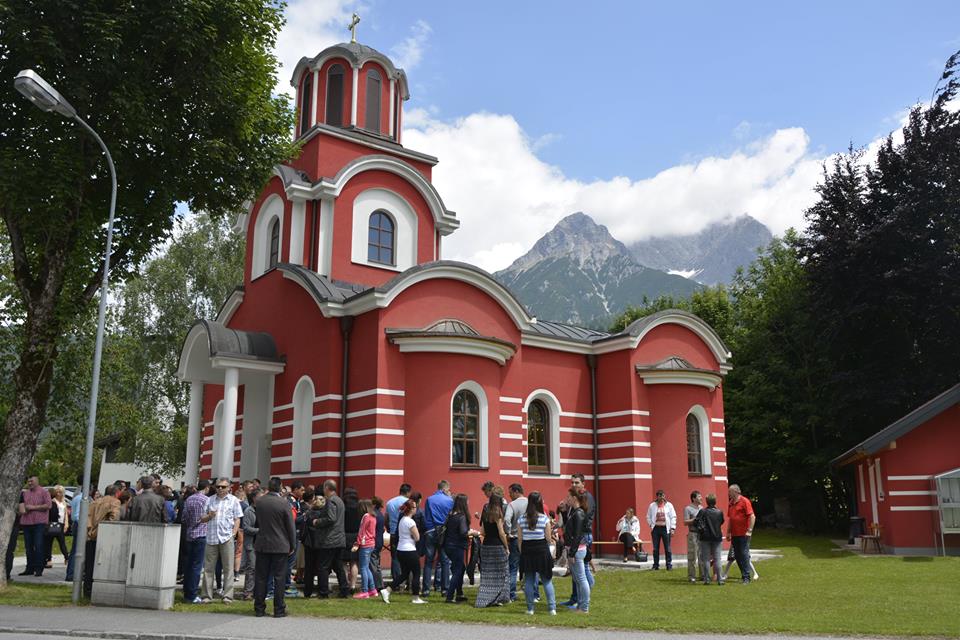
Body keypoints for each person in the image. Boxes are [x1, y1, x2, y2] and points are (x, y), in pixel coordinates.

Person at [253, 477, 297, 618]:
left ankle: (259, 608)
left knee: (261, 578)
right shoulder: (284, 503)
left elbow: (258, 522)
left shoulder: (259, 502)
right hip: (280, 544)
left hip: (263, 543)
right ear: (279, 487)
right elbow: (290, 526)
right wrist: (292, 544)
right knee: (279, 578)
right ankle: (279, 609)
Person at [200, 478, 244, 603]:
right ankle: (207, 596)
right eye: (218, 486)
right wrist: (209, 516)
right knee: (208, 568)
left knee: (228, 568)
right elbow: (202, 518)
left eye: (223, 487)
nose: (220, 489)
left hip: (226, 537)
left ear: (229, 487)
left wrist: (233, 533)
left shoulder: (234, 500)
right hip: (211, 537)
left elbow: (237, 519)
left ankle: (227, 596)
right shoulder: (210, 500)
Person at [379, 499, 425, 604]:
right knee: (416, 573)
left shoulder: (402, 520)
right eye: (415, 507)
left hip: (401, 550)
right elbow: (417, 537)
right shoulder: (411, 521)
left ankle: (387, 590)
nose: (416, 509)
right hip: (410, 550)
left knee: (404, 574)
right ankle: (415, 597)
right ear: (411, 509)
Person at [309, 479, 350, 598]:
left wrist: (317, 521)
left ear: (327, 488)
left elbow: (331, 518)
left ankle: (323, 592)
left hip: (330, 539)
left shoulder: (331, 501)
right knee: (338, 566)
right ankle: (344, 590)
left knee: (323, 566)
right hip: (339, 539)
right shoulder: (339, 500)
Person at [518, 491, 556, 616]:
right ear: (540, 502)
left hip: (527, 550)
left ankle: (530, 609)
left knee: (528, 580)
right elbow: (549, 539)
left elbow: (520, 539)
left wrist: (521, 551)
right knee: (547, 580)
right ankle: (552, 609)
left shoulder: (522, 519)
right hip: (541, 550)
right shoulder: (544, 518)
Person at [83, 485, 121, 598]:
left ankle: (87, 591)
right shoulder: (115, 502)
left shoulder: (94, 502)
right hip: (104, 536)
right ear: (116, 493)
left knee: (89, 565)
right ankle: (102, 591)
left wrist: (90, 531)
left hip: (91, 537)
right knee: (104, 565)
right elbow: (114, 518)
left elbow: (87, 518)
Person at [475, 492, 510, 608]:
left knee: (487, 574)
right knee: (501, 574)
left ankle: (484, 599)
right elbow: (501, 533)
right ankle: (499, 598)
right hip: (497, 547)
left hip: (486, 546)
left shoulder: (485, 514)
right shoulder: (498, 514)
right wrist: (506, 546)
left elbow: (483, 532)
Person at [422, 480, 453, 598]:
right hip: (444, 531)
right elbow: (450, 516)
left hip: (430, 530)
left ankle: (426, 589)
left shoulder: (429, 499)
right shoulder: (450, 500)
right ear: (445, 489)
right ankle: (445, 589)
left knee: (429, 561)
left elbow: (427, 516)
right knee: (445, 561)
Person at [181, 480, 210, 603]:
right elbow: (208, 517)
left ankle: (187, 592)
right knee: (196, 567)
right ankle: (192, 595)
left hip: (189, 535)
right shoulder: (206, 500)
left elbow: (184, 518)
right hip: (201, 535)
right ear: (207, 488)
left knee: (188, 566)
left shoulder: (189, 499)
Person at [564, 489, 591, 613]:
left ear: (575, 498)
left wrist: (572, 553)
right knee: (577, 579)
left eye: (569, 497)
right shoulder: (574, 512)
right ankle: (580, 605)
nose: (567, 499)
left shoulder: (579, 513)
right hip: (575, 549)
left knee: (581, 579)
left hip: (577, 551)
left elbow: (578, 535)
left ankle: (584, 607)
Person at [443, 493, 474, 604]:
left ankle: (459, 593)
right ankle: (450, 595)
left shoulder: (451, 514)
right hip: (457, 546)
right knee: (458, 570)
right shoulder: (461, 516)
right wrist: (471, 532)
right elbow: (463, 532)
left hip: (448, 545)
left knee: (460, 568)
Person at [19, 476, 52, 577]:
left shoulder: (44, 492)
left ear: (37, 481)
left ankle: (39, 568)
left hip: (39, 523)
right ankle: (29, 568)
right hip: (27, 522)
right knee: (28, 547)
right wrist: (23, 510)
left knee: (38, 546)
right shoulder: (25, 493)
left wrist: (33, 507)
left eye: (31, 481)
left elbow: (48, 505)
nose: (29, 483)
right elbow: (21, 507)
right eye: (28, 481)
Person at [726, 484, 757, 584]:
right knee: (738, 556)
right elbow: (731, 519)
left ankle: (746, 577)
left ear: (736, 492)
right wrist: (728, 532)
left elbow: (752, 517)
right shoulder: (730, 503)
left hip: (744, 534)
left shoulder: (744, 501)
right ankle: (744, 574)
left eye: (730, 492)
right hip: (735, 534)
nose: (728, 493)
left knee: (744, 554)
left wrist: (750, 530)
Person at [694, 493, 725, 585]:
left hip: (705, 537)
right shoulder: (719, 512)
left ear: (707, 502)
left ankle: (707, 579)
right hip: (717, 537)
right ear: (715, 501)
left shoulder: (702, 511)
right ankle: (720, 579)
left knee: (706, 559)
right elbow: (721, 522)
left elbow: (696, 522)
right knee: (717, 559)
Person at [503, 483, 527, 601]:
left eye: (511, 492)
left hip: (515, 538)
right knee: (530, 567)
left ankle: (511, 594)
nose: (509, 495)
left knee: (513, 567)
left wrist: (508, 532)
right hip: (529, 538)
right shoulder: (530, 503)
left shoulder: (512, 504)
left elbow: (507, 519)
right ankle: (533, 593)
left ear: (516, 492)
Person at [239, 488, 265, 600]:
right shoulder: (249, 511)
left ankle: (258, 591)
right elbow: (246, 528)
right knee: (252, 568)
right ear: (254, 498)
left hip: (263, 544)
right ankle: (248, 592)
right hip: (252, 544)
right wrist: (260, 530)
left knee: (261, 569)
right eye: (261, 496)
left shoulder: (264, 509)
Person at [350, 499, 378, 599]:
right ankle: (373, 590)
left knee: (363, 568)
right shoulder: (373, 516)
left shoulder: (365, 516)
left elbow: (361, 531)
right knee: (366, 568)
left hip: (365, 544)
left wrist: (357, 544)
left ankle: (365, 591)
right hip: (371, 544)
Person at [386, 483, 411, 582]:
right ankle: (407, 580)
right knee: (408, 557)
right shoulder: (409, 502)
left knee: (395, 557)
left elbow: (386, 518)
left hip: (393, 532)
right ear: (408, 492)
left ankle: (396, 580)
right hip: (406, 533)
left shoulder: (390, 502)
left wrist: (389, 528)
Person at [645, 489, 676, 570]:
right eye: (660, 495)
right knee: (655, 548)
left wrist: (672, 528)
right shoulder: (652, 505)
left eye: (663, 495)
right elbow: (648, 516)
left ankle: (669, 565)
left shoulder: (669, 505)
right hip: (656, 529)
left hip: (666, 528)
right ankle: (655, 565)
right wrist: (651, 525)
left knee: (667, 548)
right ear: (657, 496)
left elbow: (673, 517)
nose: (662, 497)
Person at [45, 486, 69, 568]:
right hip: (54, 523)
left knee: (62, 542)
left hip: (61, 524)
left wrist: (66, 524)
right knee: (49, 542)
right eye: (57, 492)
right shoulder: (53, 502)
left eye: (60, 492)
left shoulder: (64, 502)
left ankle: (66, 557)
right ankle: (49, 559)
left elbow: (65, 513)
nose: (58, 493)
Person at [684, 491, 703, 582]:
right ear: (694, 498)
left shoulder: (702, 508)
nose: (701, 498)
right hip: (692, 534)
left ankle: (702, 575)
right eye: (699, 497)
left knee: (702, 556)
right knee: (692, 556)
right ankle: (692, 576)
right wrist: (695, 519)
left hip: (701, 534)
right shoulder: (688, 508)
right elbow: (685, 522)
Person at [370, 496, 386, 592]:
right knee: (377, 564)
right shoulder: (381, 515)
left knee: (373, 565)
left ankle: (378, 585)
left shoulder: (374, 515)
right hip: (379, 541)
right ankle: (379, 584)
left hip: (374, 542)